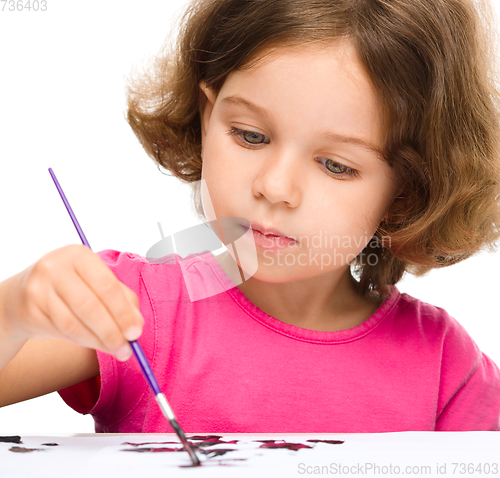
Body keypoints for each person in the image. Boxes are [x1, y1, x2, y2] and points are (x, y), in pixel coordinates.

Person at [1, 0, 500, 433]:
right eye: (250, 136)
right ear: (207, 115)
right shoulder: (134, 310)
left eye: (336, 165)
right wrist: (14, 310)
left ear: (407, 191)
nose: (274, 186)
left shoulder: (445, 368)